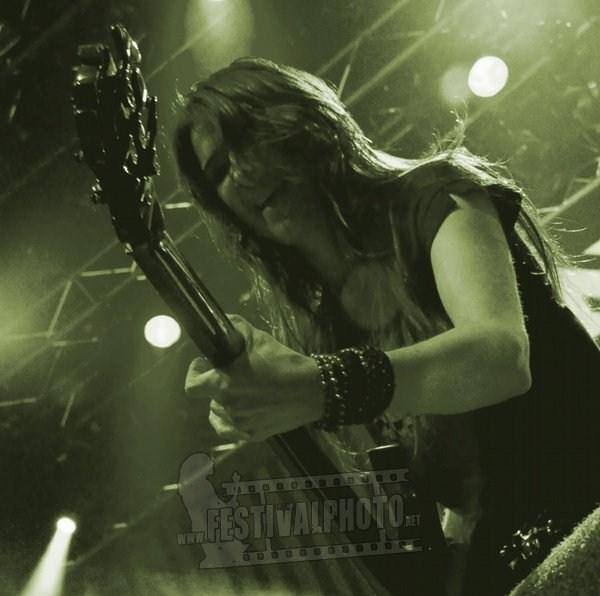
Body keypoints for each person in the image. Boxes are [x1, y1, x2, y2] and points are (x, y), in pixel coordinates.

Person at [174, 57, 600, 594]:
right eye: (218, 170)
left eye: (246, 138)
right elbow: (469, 489)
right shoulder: (326, 325)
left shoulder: (436, 195)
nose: (238, 172)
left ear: (302, 121)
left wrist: (319, 386)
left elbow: (501, 358)